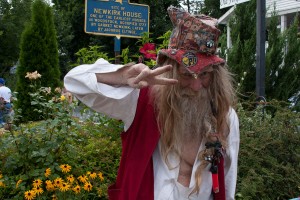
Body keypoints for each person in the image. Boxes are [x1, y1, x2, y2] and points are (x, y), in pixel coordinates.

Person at [64, 6, 239, 200]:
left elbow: (227, 181)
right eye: (186, 75)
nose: (197, 86)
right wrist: (122, 76)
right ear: (170, 69)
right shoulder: (140, 101)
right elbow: (74, 81)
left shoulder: (225, 116)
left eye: (205, 74)